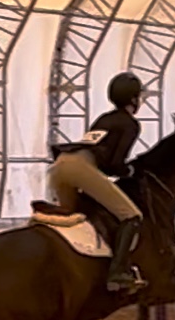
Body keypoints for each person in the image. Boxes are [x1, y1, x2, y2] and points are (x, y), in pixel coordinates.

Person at [47, 73, 145, 291]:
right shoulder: (130, 123)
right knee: (131, 217)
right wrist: (130, 171)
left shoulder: (104, 119)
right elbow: (114, 164)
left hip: (59, 166)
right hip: (80, 168)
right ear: (133, 99)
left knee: (75, 219)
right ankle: (118, 272)